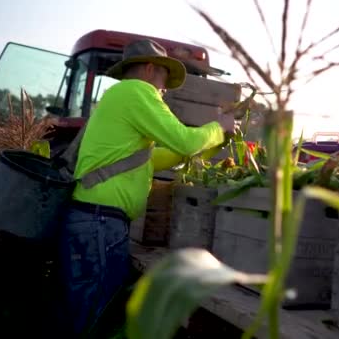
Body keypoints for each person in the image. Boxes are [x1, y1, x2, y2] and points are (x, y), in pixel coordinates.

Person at [56, 38, 235, 336]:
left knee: (82, 311)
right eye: (164, 80)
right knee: (97, 318)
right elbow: (185, 140)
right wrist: (219, 128)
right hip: (100, 222)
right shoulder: (138, 92)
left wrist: (203, 147)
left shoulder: (119, 97)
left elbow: (148, 160)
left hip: (91, 219)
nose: (163, 90)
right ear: (151, 68)